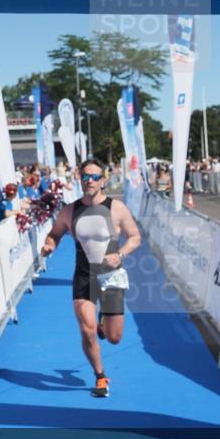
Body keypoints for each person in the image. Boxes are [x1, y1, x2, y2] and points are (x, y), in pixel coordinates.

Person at [40, 158, 141, 398]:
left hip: (111, 277)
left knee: (114, 338)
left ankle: (105, 322)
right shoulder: (69, 210)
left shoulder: (116, 208)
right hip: (84, 277)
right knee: (87, 330)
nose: (90, 181)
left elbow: (135, 237)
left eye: (95, 177)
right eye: (85, 176)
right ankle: (100, 375)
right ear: (79, 178)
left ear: (103, 180)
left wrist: (120, 254)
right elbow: (54, 234)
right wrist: (49, 245)